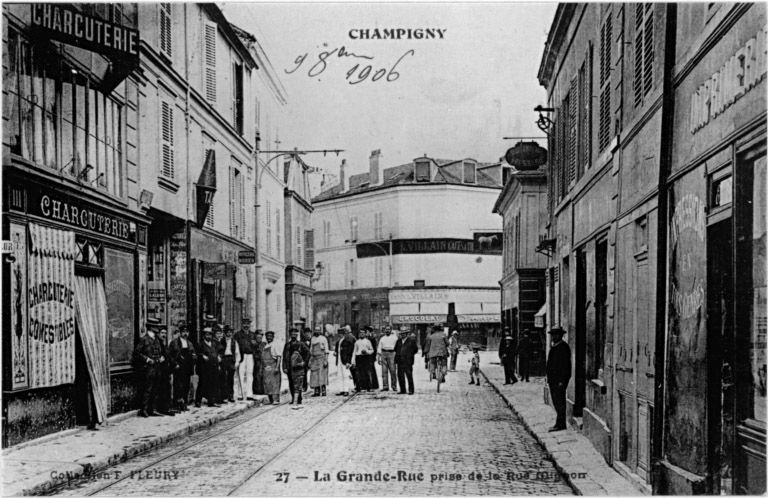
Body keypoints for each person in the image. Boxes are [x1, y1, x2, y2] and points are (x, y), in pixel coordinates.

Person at [134, 318, 165, 417]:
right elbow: (137, 353)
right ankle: (144, 409)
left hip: (157, 367)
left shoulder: (157, 339)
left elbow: (160, 352)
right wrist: (147, 359)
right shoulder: (144, 339)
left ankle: (153, 409)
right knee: (147, 389)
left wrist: (161, 357)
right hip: (147, 368)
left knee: (156, 388)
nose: (158, 329)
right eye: (156, 327)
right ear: (151, 327)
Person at [546, 327, 571, 432]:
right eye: (552, 335)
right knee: (556, 402)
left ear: (560, 336)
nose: (553, 337)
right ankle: (559, 423)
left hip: (559, 381)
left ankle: (561, 424)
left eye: (555, 335)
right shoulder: (555, 346)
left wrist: (562, 381)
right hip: (553, 380)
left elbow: (566, 366)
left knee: (560, 402)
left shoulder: (563, 347)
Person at [168, 320, 196, 412]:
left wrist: (193, 357)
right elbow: (169, 355)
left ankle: (184, 404)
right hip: (178, 368)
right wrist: (174, 364)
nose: (185, 334)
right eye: (183, 332)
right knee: (178, 386)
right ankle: (177, 404)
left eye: (187, 332)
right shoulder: (174, 343)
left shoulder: (190, 343)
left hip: (187, 368)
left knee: (186, 386)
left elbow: (193, 354)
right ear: (180, 333)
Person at [195, 327, 221, 407]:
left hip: (213, 366)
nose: (208, 336)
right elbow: (197, 354)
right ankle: (198, 401)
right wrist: (202, 356)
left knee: (213, 384)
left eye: (210, 335)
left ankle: (211, 401)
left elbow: (218, 351)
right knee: (202, 384)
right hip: (204, 368)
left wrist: (219, 357)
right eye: (207, 335)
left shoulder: (214, 344)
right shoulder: (201, 344)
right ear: (204, 336)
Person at [283, 329, 310, 403]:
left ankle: (299, 398)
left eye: (295, 334)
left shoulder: (301, 344)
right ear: (290, 335)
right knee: (291, 383)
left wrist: (304, 362)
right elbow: (284, 357)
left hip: (298, 367)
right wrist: (284, 367)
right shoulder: (287, 345)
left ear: (297, 335)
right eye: (292, 334)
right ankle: (293, 398)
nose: (293, 335)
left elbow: (308, 352)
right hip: (289, 367)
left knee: (298, 383)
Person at [234, 317, 256, 400]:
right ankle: (240, 394)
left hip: (250, 356)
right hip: (241, 355)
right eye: (244, 324)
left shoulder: (252, 334)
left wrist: (254, 344)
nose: (246, 325)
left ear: (250, 325)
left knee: (250, 374)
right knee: (241, 374)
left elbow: (256, 346)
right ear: (242, 324)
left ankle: (249, 394)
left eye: (247, 324)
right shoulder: (237, 335)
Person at [155, 327, 175, 415]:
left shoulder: (163, 344)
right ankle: (162, 408)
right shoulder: (156, 343)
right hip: (160, 370)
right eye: (162, 333)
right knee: (162, 389)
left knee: (167, 388)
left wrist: (174, 364)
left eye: (165, 333)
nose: (164, 335)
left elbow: (168, 355)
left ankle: (167, 407)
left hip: (166, 370)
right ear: (158, 333)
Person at [219, 325, 239, 403]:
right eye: (227, 332)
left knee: (230, 379)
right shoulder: (221, 341)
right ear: (225, 333)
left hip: (231, 360)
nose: (229, 334)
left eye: (230, 332)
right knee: (223, 378)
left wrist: (237, 362)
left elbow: (237, 353)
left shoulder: (234, 341)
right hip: (223, 359)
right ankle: (224, 396)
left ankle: (231, 396)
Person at [394, 329, 418, 394]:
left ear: (407, 334)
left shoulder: (411, 341)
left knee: (409, 375)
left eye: (404, 333)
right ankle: (403, 390)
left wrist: (409, 354)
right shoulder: (398, 341)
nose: (402, 335)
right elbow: (395, 349)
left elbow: (415, 350)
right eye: (401, 334)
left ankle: (411, 390)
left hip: (408, 361)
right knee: (400, 376)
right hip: (400, 361)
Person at [262, 331, 282, 404]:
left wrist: (277, 367)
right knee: (267, 383)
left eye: (270, 336)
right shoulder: (266, 346)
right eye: (268, 336)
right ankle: (271, 400)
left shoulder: (275, 345)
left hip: (273, 366)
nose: (269, 338)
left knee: (275, 383)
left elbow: (279, 357)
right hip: (266, 368)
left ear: (273, 337)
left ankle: (276, 400)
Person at [336, 325, 357, 395]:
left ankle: (346, 390)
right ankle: (341, 389)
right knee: (340, 375)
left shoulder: (347, 340)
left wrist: (348, 361)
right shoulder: (340, 341)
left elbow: (349, 352)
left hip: (345, 360)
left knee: (346, 375)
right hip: (340, 359)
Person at [309, 328, 330, 396]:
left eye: (318, 330)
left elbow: (326, 350)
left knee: (322, 374)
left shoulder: (323, 338)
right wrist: (310, 360)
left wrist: (326, 360)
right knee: (315, 375)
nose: (317, 331)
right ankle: (316, 391)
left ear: (320, 331)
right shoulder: (312, 339)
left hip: (322, 358)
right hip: (314, 358)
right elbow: (311, 350)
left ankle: (323, 391)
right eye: (315, 330)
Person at [377, 326, 398, 391]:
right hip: (384, 353)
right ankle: (385, 386)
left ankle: (394, 386)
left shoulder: (395, 338)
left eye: (389, 329)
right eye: (386, 329)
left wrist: (396, 356)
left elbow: (397, 347)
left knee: (393, 370)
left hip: (392, 353)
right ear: (384, 330)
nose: (387, 331)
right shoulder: (382, 338)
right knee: (384, 371)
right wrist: (378, 357)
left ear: (391, 330)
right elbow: (379, 348)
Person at [288, 341, 306, 408]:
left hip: (299, 373)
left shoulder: (296, 354)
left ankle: (297, 403)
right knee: (296, 388)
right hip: (297, 374)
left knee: (299, 388)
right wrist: (301, 364)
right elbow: (293, 364)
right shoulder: (295, 355)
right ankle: (295, 403)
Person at [252, 329, 265, 395]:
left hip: (262, 362)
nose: (259, 339)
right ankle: (256, 390)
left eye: (261, 337)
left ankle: (262, 390)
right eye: (258, 337)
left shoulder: (264, 344)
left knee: (262, 376)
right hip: (255, 361)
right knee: (256, 376)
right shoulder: (254, 344)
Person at [302, 328, 313, 392]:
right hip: (306, 359)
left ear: (310, 333)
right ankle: (304, 386)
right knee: (304, 373)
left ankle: (314, 385)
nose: (307, 335)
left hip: (313, 358)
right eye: (306, 334)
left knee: (314, 373)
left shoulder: (313, 340)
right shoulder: (302, 342)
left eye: (308, 333)